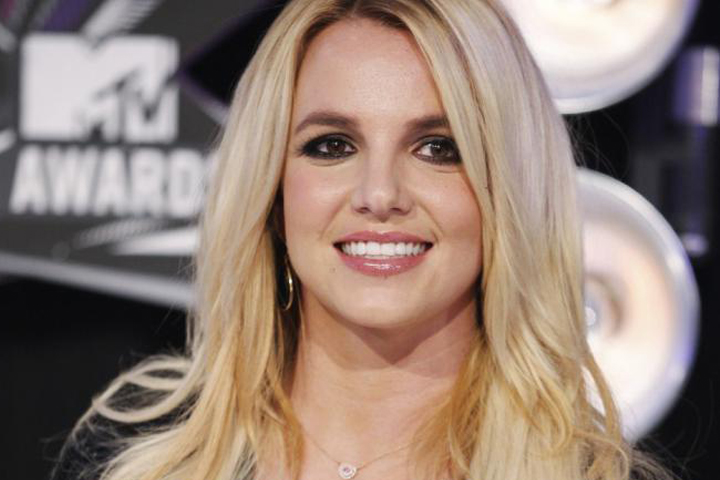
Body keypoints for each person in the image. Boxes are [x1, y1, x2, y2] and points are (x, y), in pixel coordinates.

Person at [52, 1, 672, 479]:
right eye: (332, 146)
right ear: (272, 191)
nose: (379, 194)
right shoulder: (132, 463)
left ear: (509, 192)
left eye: (438, 148)